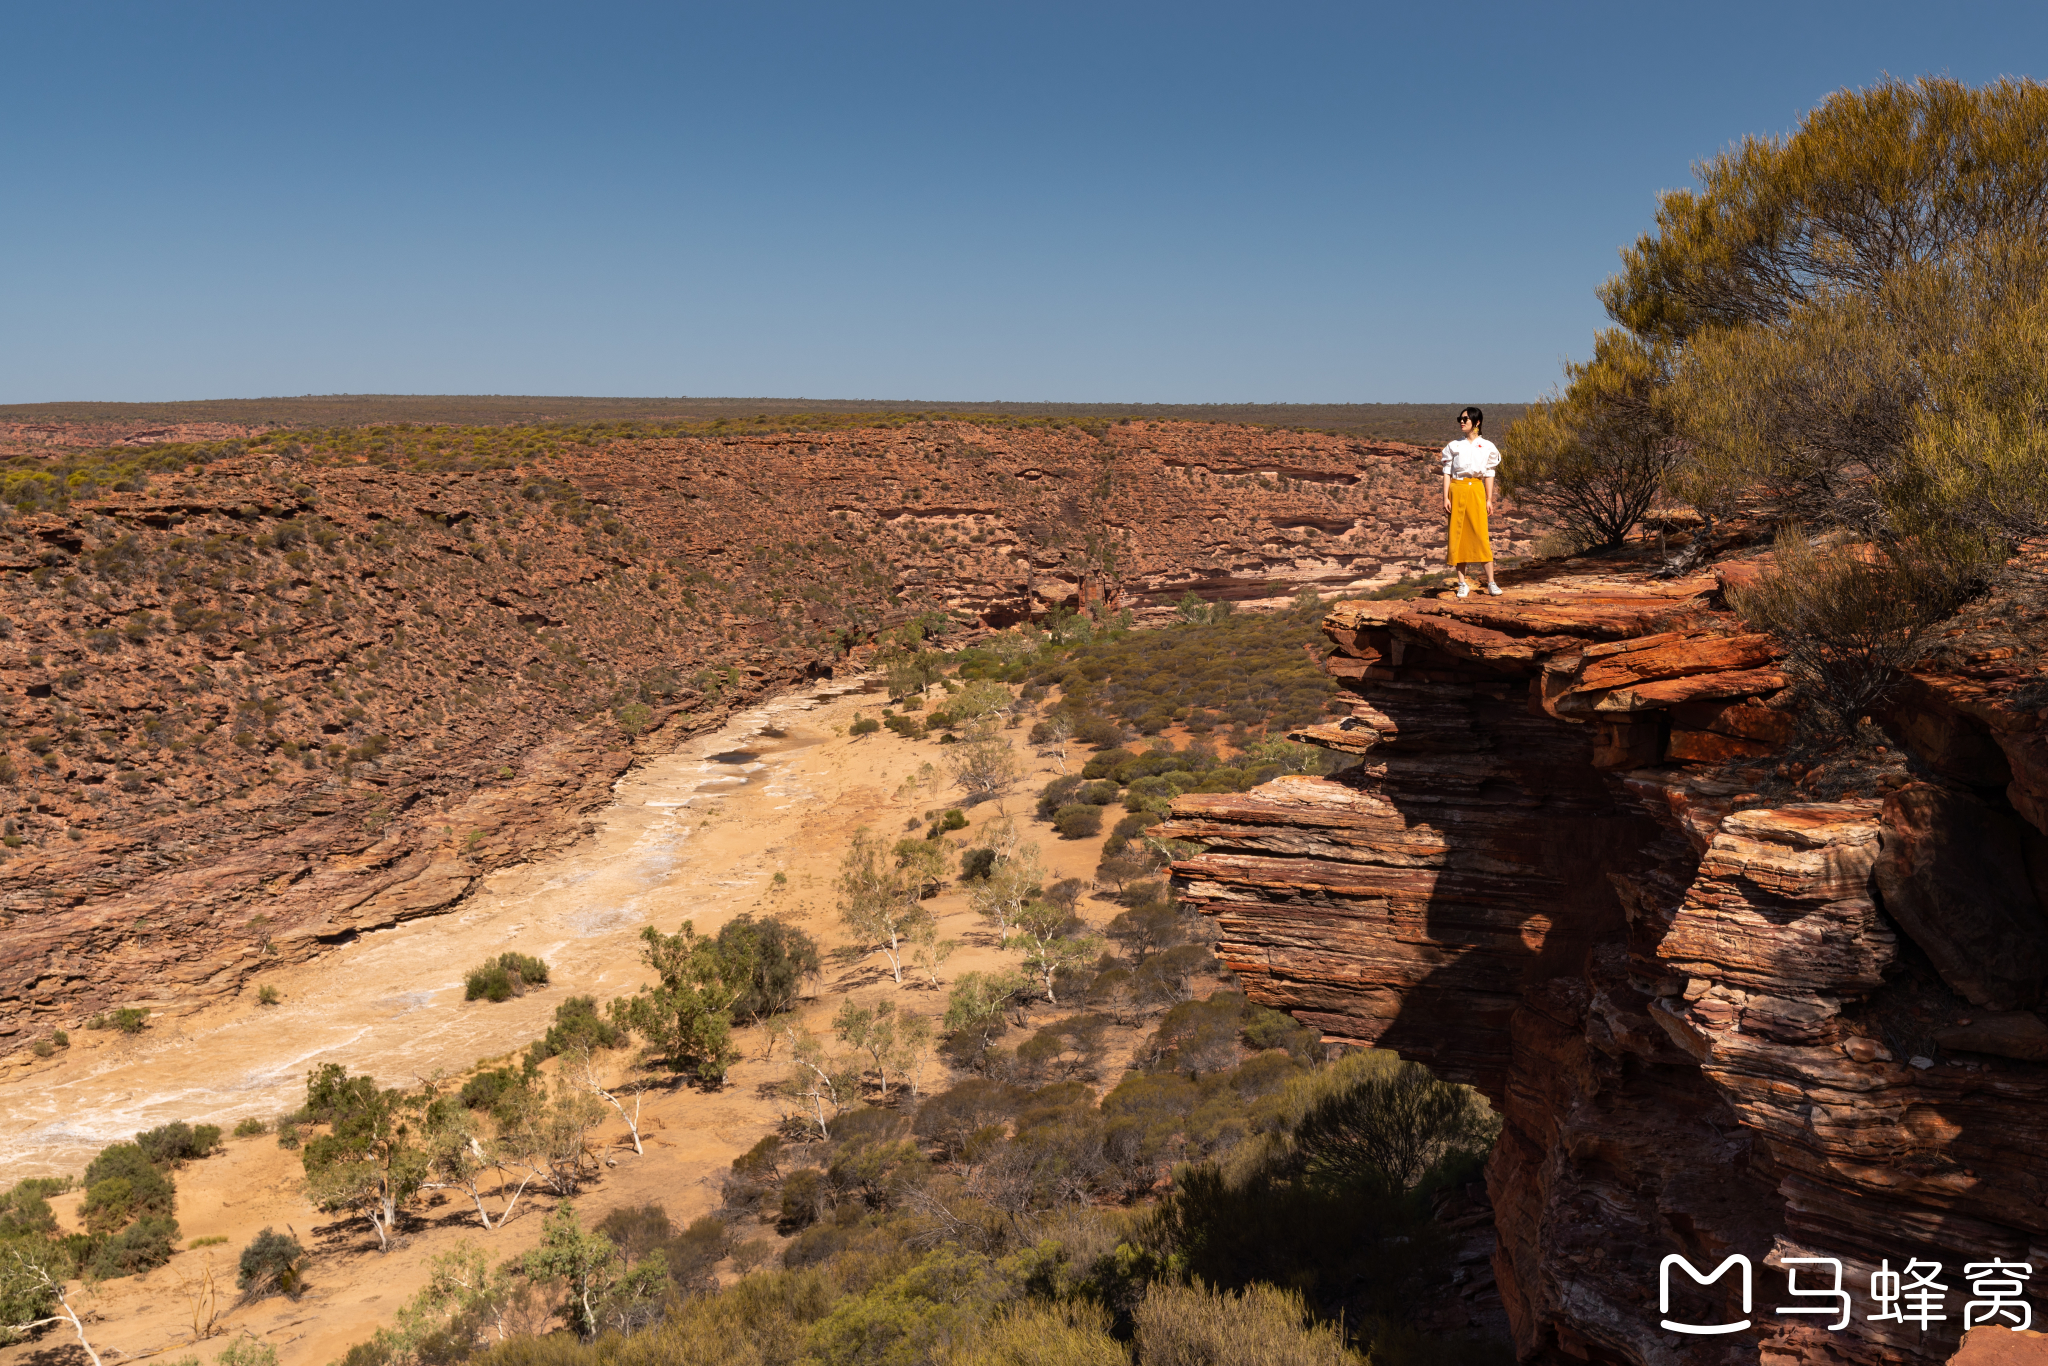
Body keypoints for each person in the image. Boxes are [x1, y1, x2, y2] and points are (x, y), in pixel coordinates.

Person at [1441, 406, 1502, 597]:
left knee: (1480, 534)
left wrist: (1489, 499)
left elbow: (1489, 473)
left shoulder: (1488, 446)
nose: (1461, 421)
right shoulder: (1453, 446)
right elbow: (1447, 473)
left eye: (1465, 419)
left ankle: (1491, 582)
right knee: (1457, 535)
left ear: (1477, 422)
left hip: (1476, 488)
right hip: (1456, 489)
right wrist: (1445, 497)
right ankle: (1462, 583)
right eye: (1460, 418)